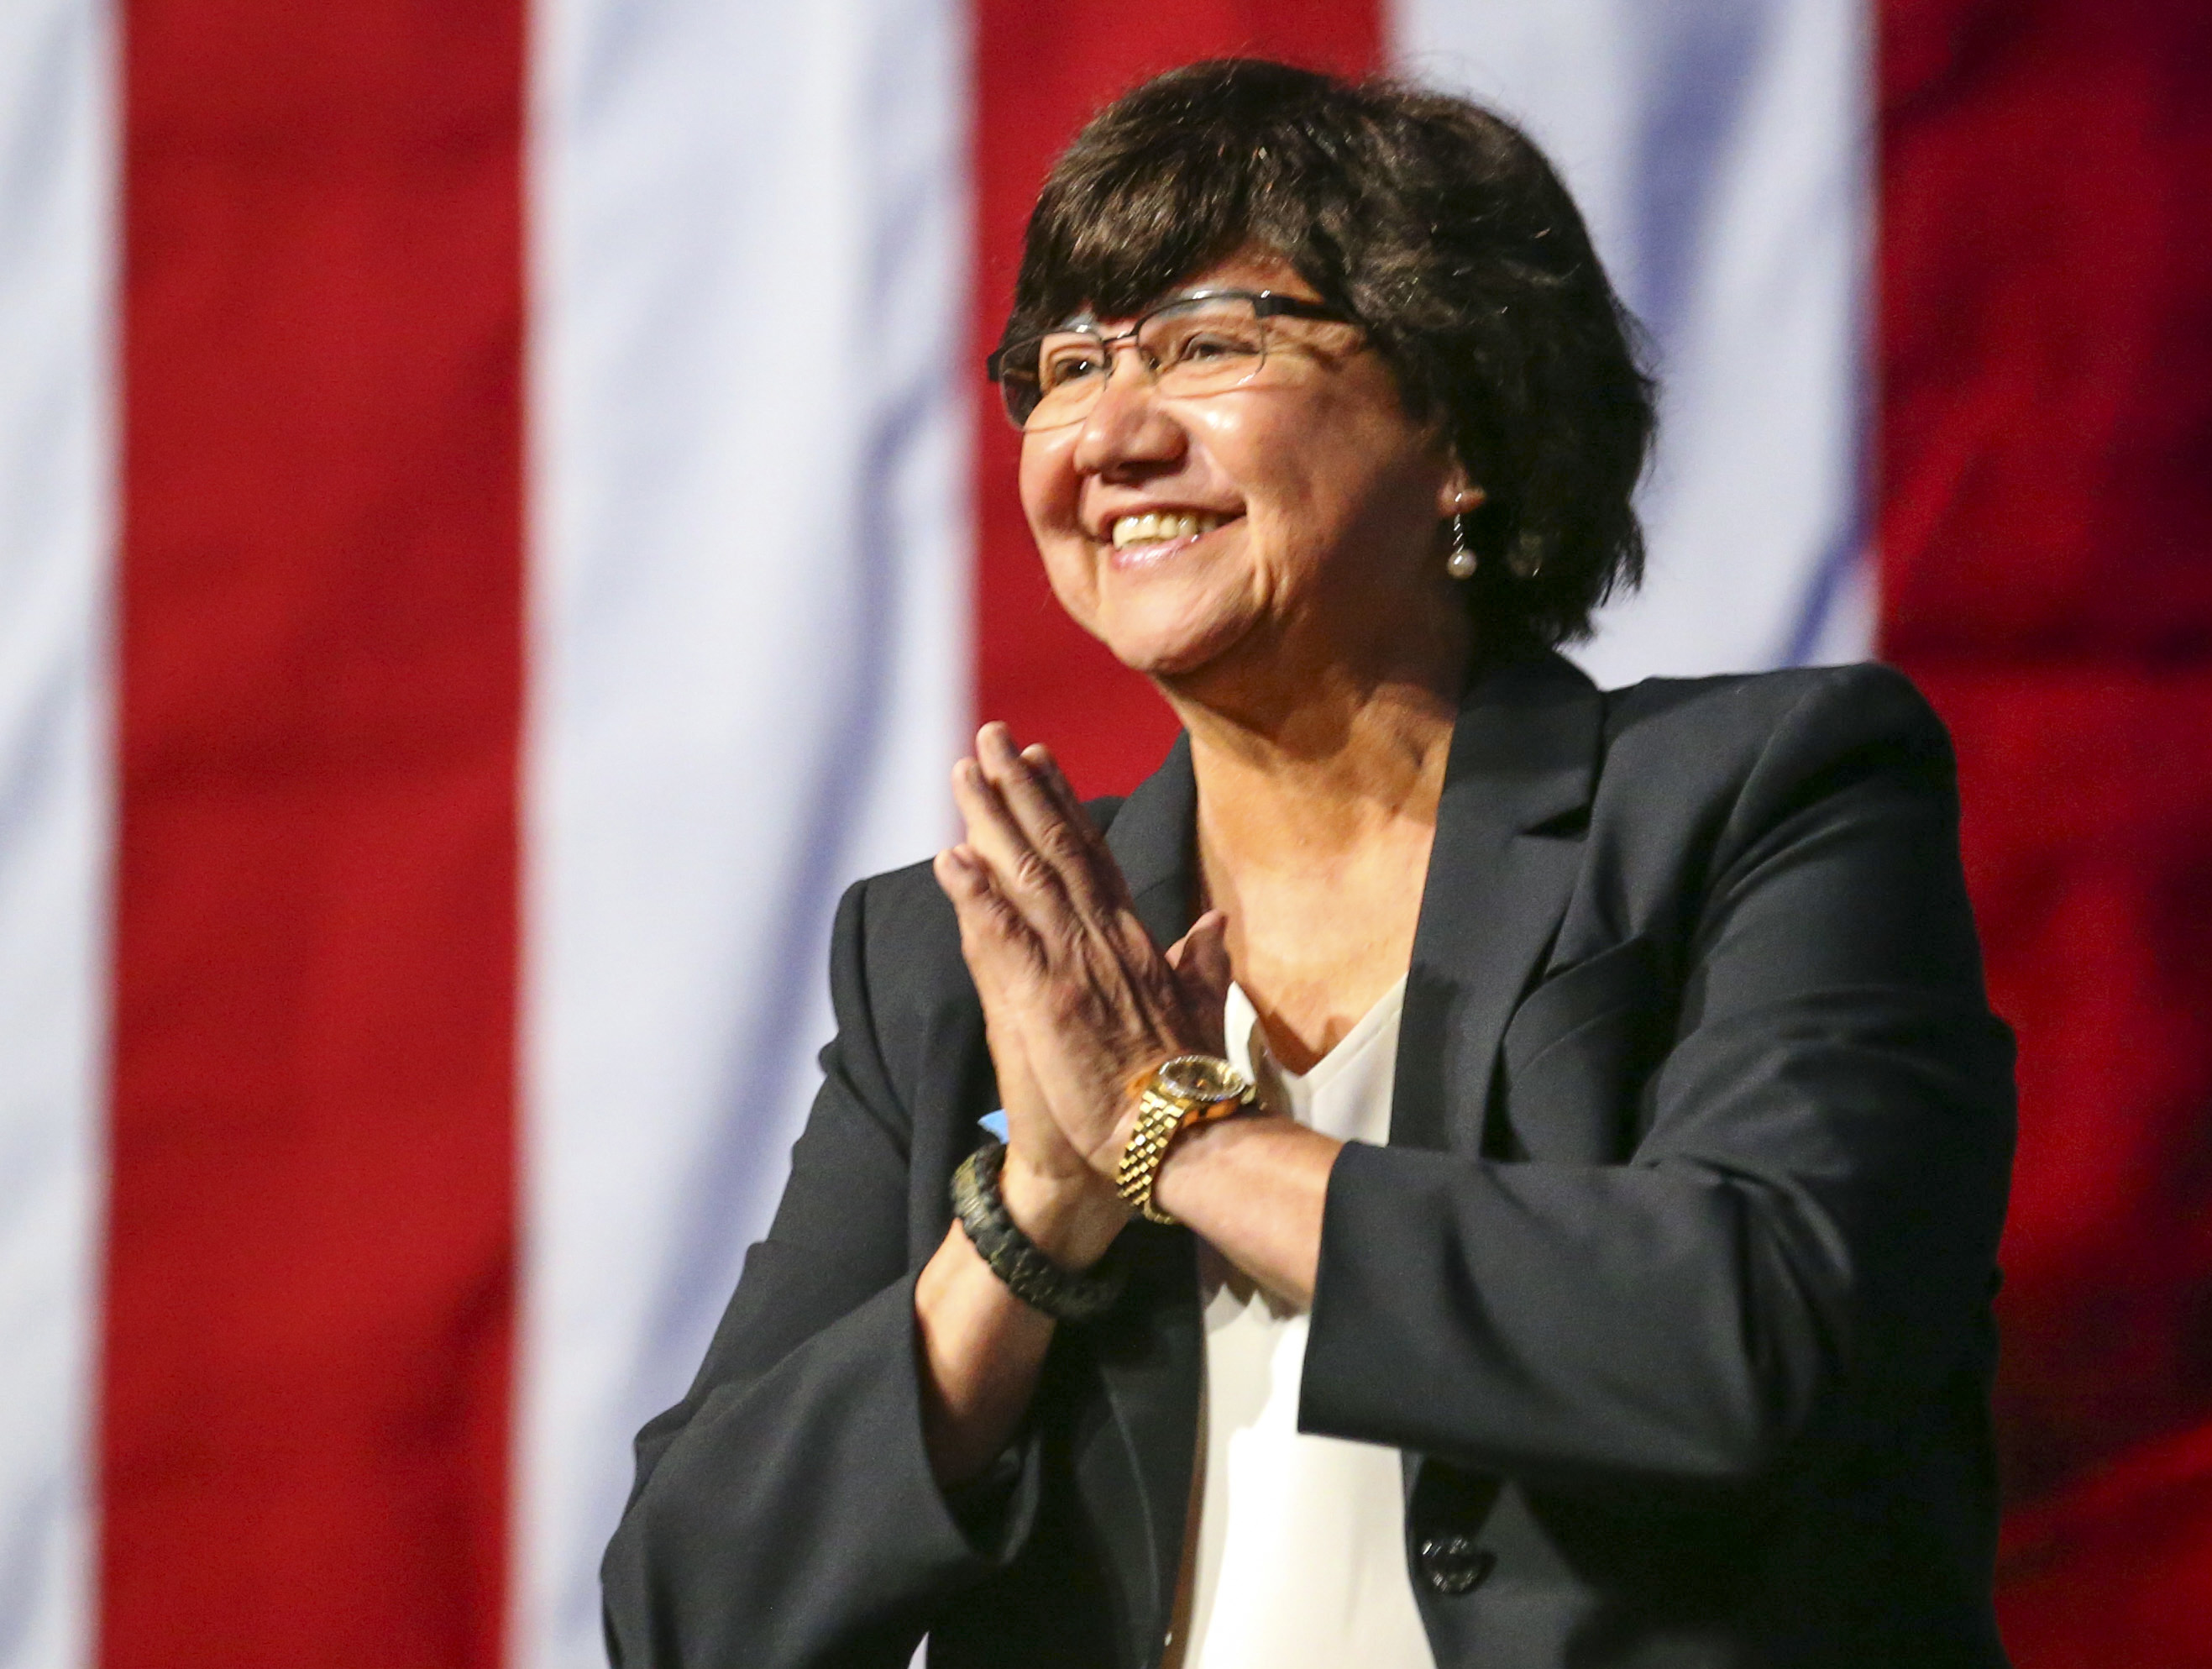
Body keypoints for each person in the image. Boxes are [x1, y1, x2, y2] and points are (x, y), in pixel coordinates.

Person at [600, 59, 2015, 1669]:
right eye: (1065, 366)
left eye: (1209, 344)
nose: (1109, 434)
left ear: (1459, 424)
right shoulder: (959, 961)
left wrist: (1175, 1137)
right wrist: (1030, 1226)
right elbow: (691, 1613)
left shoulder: (1752, 802)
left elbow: (1747, 1338)